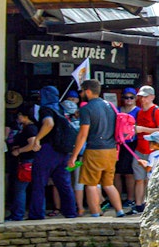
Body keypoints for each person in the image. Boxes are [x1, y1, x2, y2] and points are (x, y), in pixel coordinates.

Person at [67, 79, 126, 218]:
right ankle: (120, 211)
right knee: (108, 184)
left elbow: (82, 134)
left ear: (88, 91)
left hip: (94, 150)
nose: (80, 94)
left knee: (91, 184)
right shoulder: (110, 106)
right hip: (111, 150)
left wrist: (74, 156)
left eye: (81, 91)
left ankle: (94, 214)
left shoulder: (86, 109)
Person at [29, 86, 77, 219]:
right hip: (63, 150)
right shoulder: (62, 108)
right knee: (64, 183)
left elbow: (48, 124)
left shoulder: (46, 109)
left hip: (48, 149)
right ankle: (70, 212)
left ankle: (37, 214)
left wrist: (37, 139)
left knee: (39, 182)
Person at [132, 85, 159, 214]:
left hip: (153, 151)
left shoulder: (157, 111)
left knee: (150, 179)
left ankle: (149, 204)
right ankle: (139, 204)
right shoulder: (139, 112)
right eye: (141, 97)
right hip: (140, 149)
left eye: (146, 97)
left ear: (152, 97)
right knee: (139, 178)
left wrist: (142, 129)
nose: (143, 99)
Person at [6, 103, 39, 221]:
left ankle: (18, 214)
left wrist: (19, 151)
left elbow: (32, 144)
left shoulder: (30, 128)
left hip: (27, 161)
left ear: (26, 116)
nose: (18, 117)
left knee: (20, 189)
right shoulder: (26, 128)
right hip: (25, 160)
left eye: (20, 115)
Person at [114, 87, 139, 209]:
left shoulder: (138, 112)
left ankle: (130, 198)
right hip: (118, 144)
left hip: (132, 144)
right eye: (126, 97)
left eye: (131, 97)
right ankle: (116, 197)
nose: (128, 100)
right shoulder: (117, 110)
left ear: (135, 98)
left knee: (129, 172)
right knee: (117, 172)